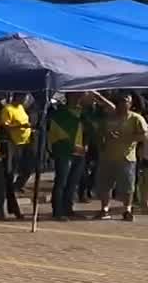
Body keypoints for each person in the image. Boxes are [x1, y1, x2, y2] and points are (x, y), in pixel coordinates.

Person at [93, 92, 148, 221]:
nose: (124, 103)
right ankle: (104, 209)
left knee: (127, 187)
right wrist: (106, 136)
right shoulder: (110, 117)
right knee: (105, 185)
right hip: (107, 157)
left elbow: (144, 136)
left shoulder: (136, 118)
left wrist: (128, 138)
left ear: (131, 103)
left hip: (126, 158)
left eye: (127, 101)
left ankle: (127, 210)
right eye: (122, 100)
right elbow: (100, 133)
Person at [48, 92, 88, 221]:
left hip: (80, 152)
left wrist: (85, 145)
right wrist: (71, 146)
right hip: (65, 152)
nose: (78, 97)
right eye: (75, 95)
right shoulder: (60, 113)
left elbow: (89, 130)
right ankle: (58, 211)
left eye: (79, 95)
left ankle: (68, 208)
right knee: (61, 182)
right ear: (68, 96)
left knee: (73, 183)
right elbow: (55, 132)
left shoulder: (83, 113)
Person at [0, 93, 32, 194]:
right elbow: (6, 126)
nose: (24, 99)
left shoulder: (21, 108)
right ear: (17, 97)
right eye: (23, 97)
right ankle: (8, 188)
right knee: (12, 167)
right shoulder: (8, 109)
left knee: (27, 166)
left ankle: (18, 185)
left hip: (26, 141)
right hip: (13, 142)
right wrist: (20, 126)